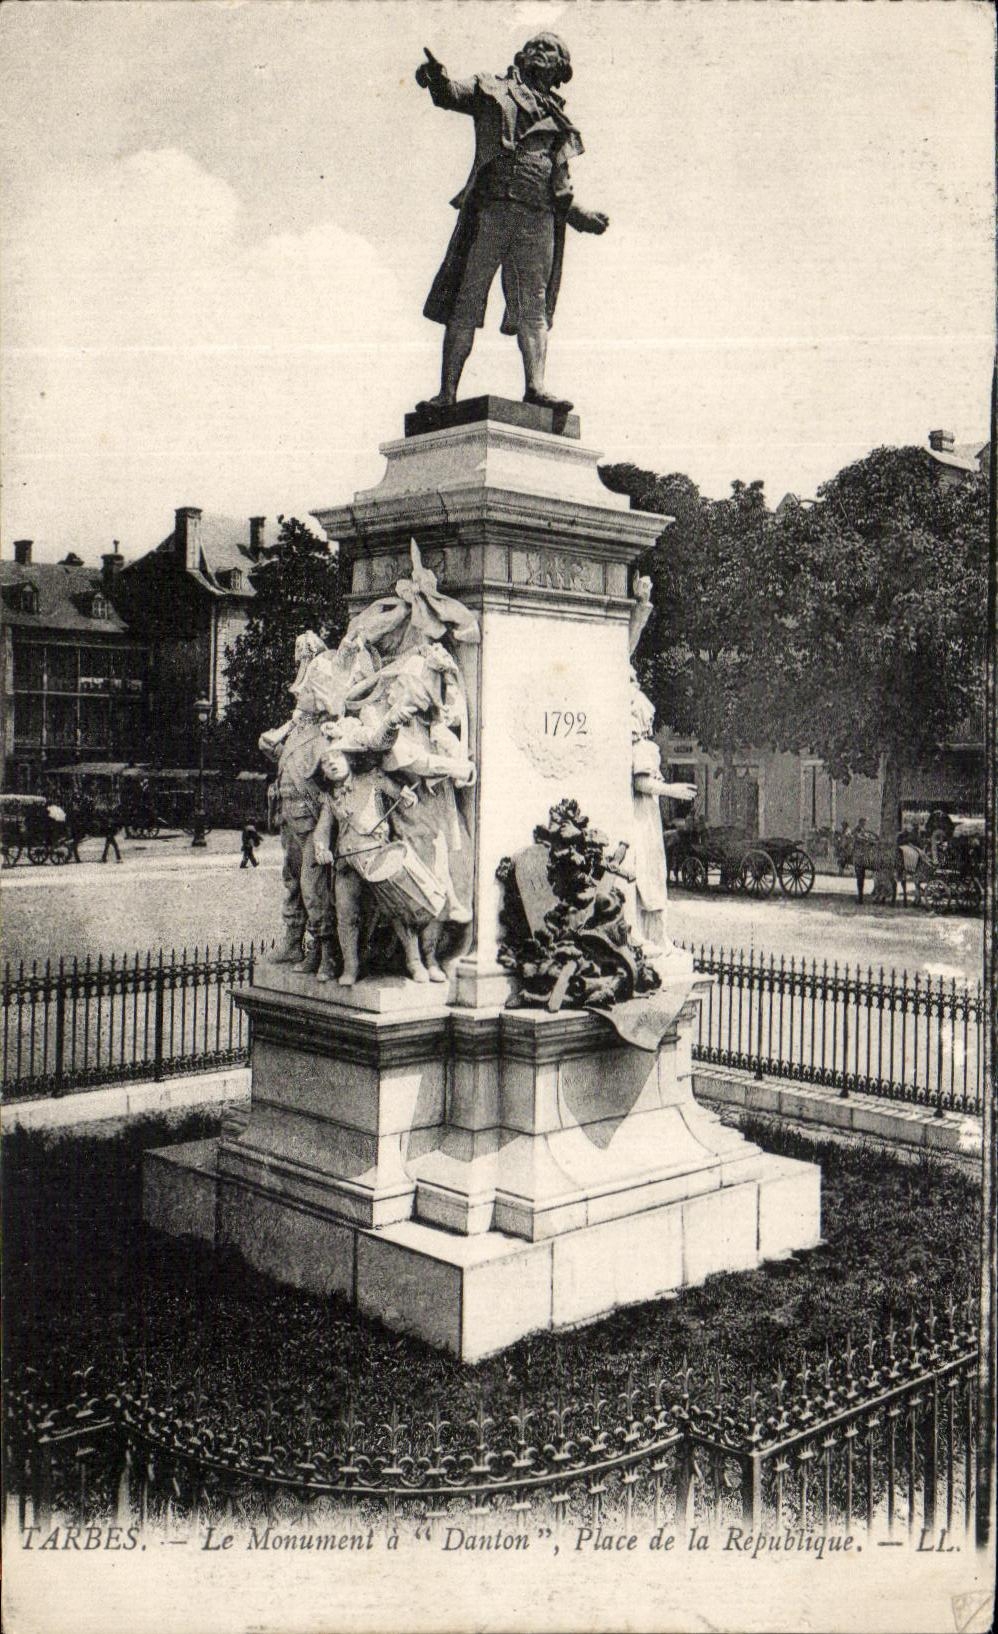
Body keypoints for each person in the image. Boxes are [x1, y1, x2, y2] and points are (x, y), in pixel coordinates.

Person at [415, 33, 609, 413]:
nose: (539, 51)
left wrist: (581, 216)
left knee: (534, 305)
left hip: (537, 218)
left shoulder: (558, 120)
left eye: (549, 49)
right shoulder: (491, 87)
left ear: (561, 68)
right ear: (522, 56)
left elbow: (560, 186)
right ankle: (446, 394)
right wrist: (436, 77)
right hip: (492, 210)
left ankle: (536, 387)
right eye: (534, 45)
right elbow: (451, 93)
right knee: (465, 300)